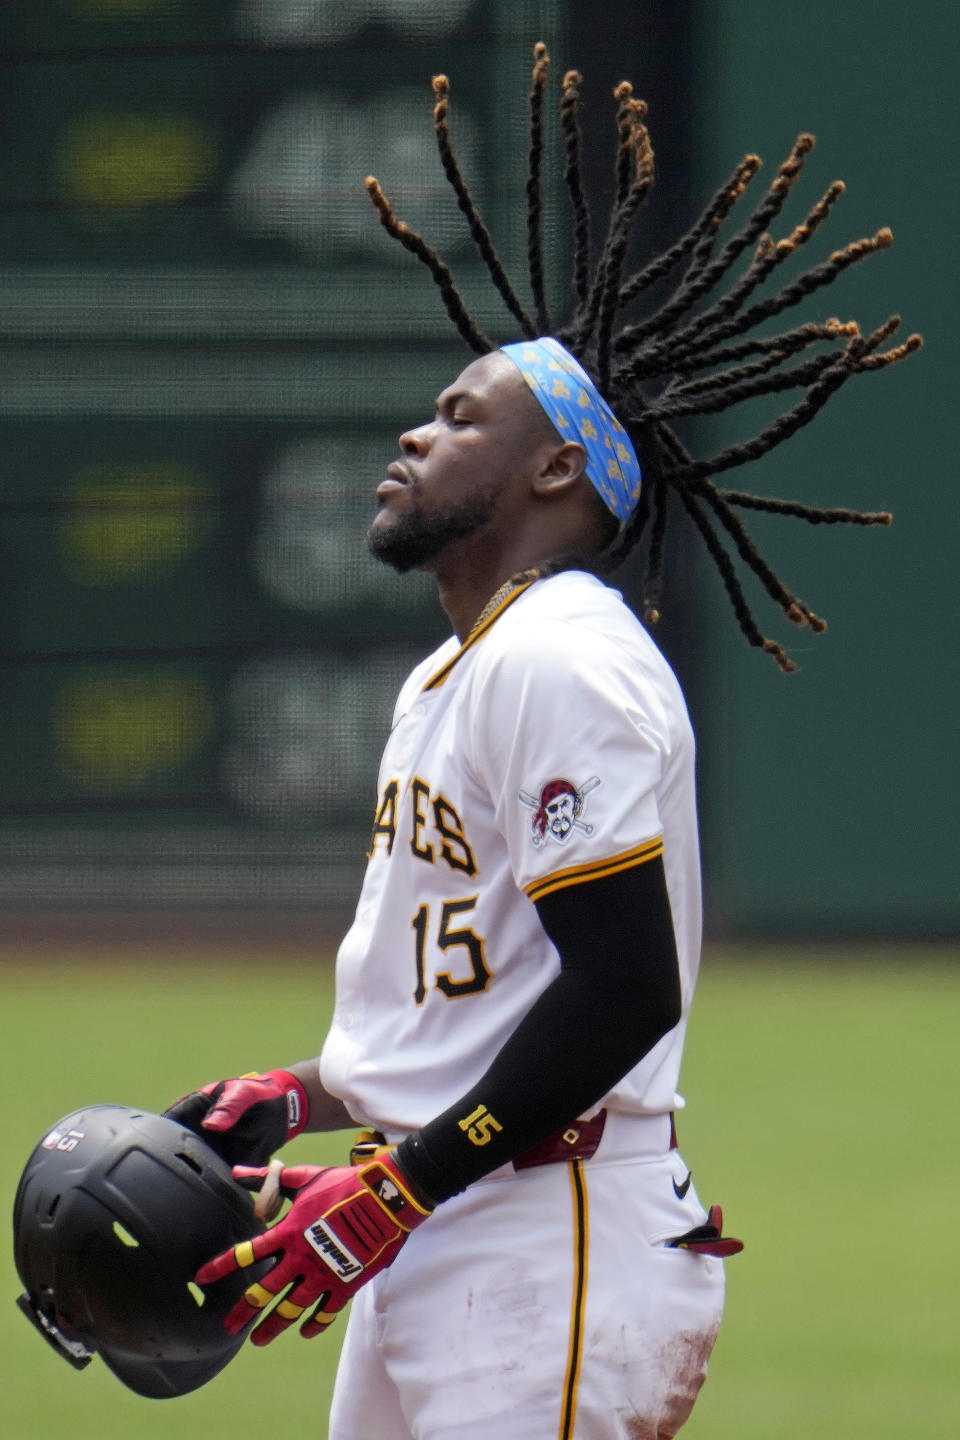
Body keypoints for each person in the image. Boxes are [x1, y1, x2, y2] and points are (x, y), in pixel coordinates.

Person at [167, 45, 918, 1440]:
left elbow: (625, 989)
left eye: (460, 419)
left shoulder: (569, 660)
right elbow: (476, 1009)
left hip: (545, 1239)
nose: (413, 430)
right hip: (448, 1220)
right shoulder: (459, 673)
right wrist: (306, 1096)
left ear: (555, 467)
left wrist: (396, 1189)